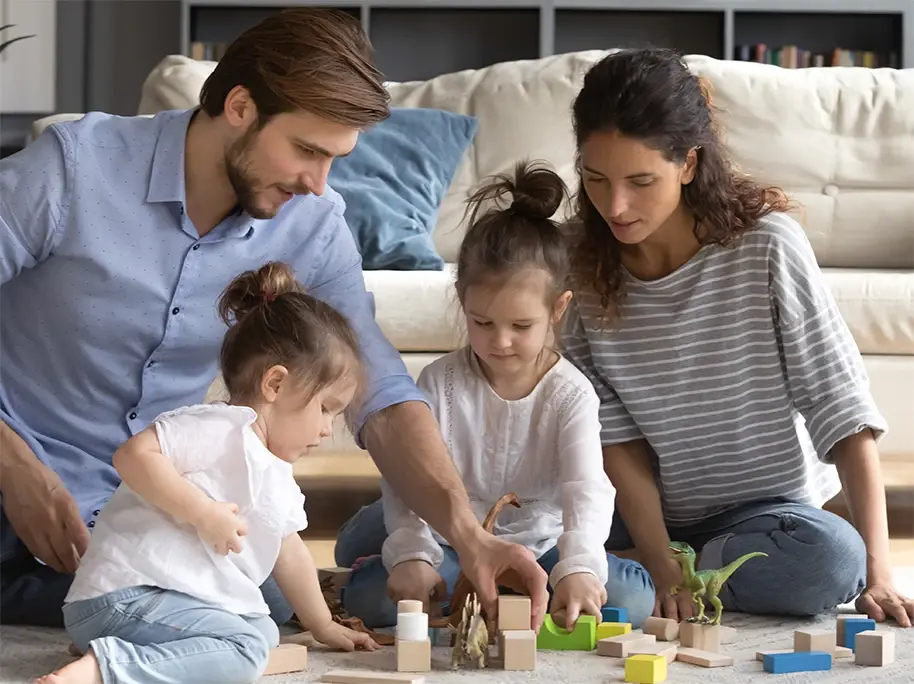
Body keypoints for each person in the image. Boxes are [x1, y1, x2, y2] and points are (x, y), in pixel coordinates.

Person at [0, 8, 548, 632]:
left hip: (146, 500)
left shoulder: (312, 225)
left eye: (335, 159)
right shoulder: (73, 168)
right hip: (11, 461)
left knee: (272, 608)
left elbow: (380, 391)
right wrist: (13, 463)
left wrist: (468, 535)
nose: (318, 183)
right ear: (239, 106)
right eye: (307, 150)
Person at [559, 46, 914, 627]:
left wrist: (881, 576)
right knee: (389, 527)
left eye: (641, 181)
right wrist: (656, 551)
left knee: (831, 560)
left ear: (690, 164)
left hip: (761, 518)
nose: (615, 206)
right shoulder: (577, 265)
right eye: (595, 179)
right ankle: (632, 568)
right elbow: (612, 439)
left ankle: (622, 573)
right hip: (636, 511)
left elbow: (843, 412)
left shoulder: (767, 246)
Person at [335, 161, 656, 631]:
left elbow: (584, 491)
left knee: (628, 598)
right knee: (380, 601)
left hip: (539, 542)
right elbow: (409, 482)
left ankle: (382, 541)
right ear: (462, 301)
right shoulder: (439, 383)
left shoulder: (572, 395)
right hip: (451, 538)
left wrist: (580, 568)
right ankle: (372, 542)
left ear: (558, 308)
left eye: (521, 326)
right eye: (482, 322)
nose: (500, 341)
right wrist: (413, 555)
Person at [35, 262, 379, 684]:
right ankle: (105, 668)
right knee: (246, 649)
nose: (327, 429)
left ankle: (126, 647)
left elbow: (290, 554)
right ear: (275, 384)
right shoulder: (216, 428)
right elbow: (132, 456)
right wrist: (203, 512)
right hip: (127, 596)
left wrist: (323, 625)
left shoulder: (276, 474)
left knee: (264, 630)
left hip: (152, 605)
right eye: (325, 409)